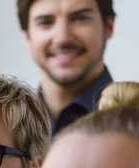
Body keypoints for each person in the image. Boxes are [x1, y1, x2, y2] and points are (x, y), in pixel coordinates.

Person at [18, 0, 115, 134]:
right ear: (27, 35)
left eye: (80, 19)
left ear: (108, 26)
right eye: (46, 22)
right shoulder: (6, 128)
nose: (62, 38)